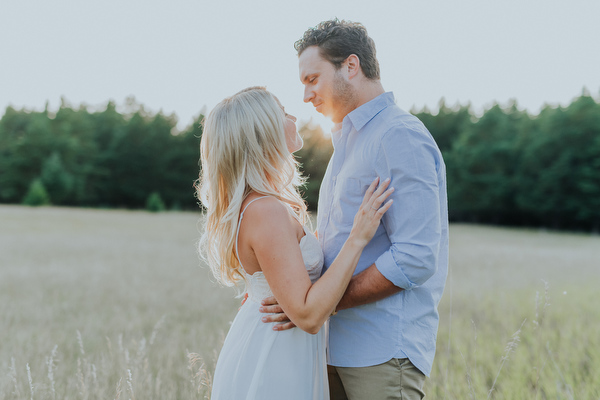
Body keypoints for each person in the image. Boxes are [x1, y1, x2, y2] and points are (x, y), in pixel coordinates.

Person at [259, 19, 449, 399]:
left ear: (351, 66)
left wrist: (324, 304)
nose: (307, 95)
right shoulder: (347, 142)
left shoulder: (399, 136)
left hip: (381, 351)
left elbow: (416, 256)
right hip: (331, 348)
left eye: (313, 79)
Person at [196, 86, 393, 399]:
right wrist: (358, 237)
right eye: (283, 112)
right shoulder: (265, 210)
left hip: (281, 347)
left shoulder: (262, 205)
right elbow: (308, 316)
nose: (293, 116)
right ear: (264, 131)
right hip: (273, 354)